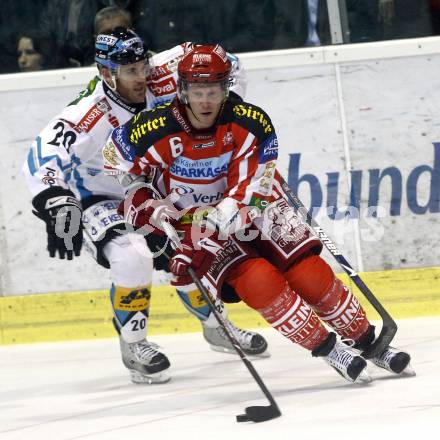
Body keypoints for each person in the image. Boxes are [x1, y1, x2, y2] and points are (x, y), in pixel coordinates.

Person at [104, 44, 415, 384]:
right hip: (191, 218)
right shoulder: (150, 128)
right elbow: (112, 157)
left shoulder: (252, 122)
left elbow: (249, 197)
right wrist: (140, 191)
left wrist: (199, 244)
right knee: (259, 282)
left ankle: (369, 342)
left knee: (309, 274)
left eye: (213, 91)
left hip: (251, 205)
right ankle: (331, 350)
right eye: (197, 91)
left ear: (226, 89)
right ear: (181, 90)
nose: (205, 101)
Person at [23, 28, 268, 385]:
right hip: (100, 195)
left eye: (143, 65)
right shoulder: (89, 112)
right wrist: (56, 201)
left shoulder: (165, 70)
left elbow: (229, 64)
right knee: (132, 255)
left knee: (190, 249)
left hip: (151, 187)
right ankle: (134, 344)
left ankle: (218, 328)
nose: (142, 76)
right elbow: (42, 155)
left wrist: (225, 105)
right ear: (107, 73)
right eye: (131, 71)